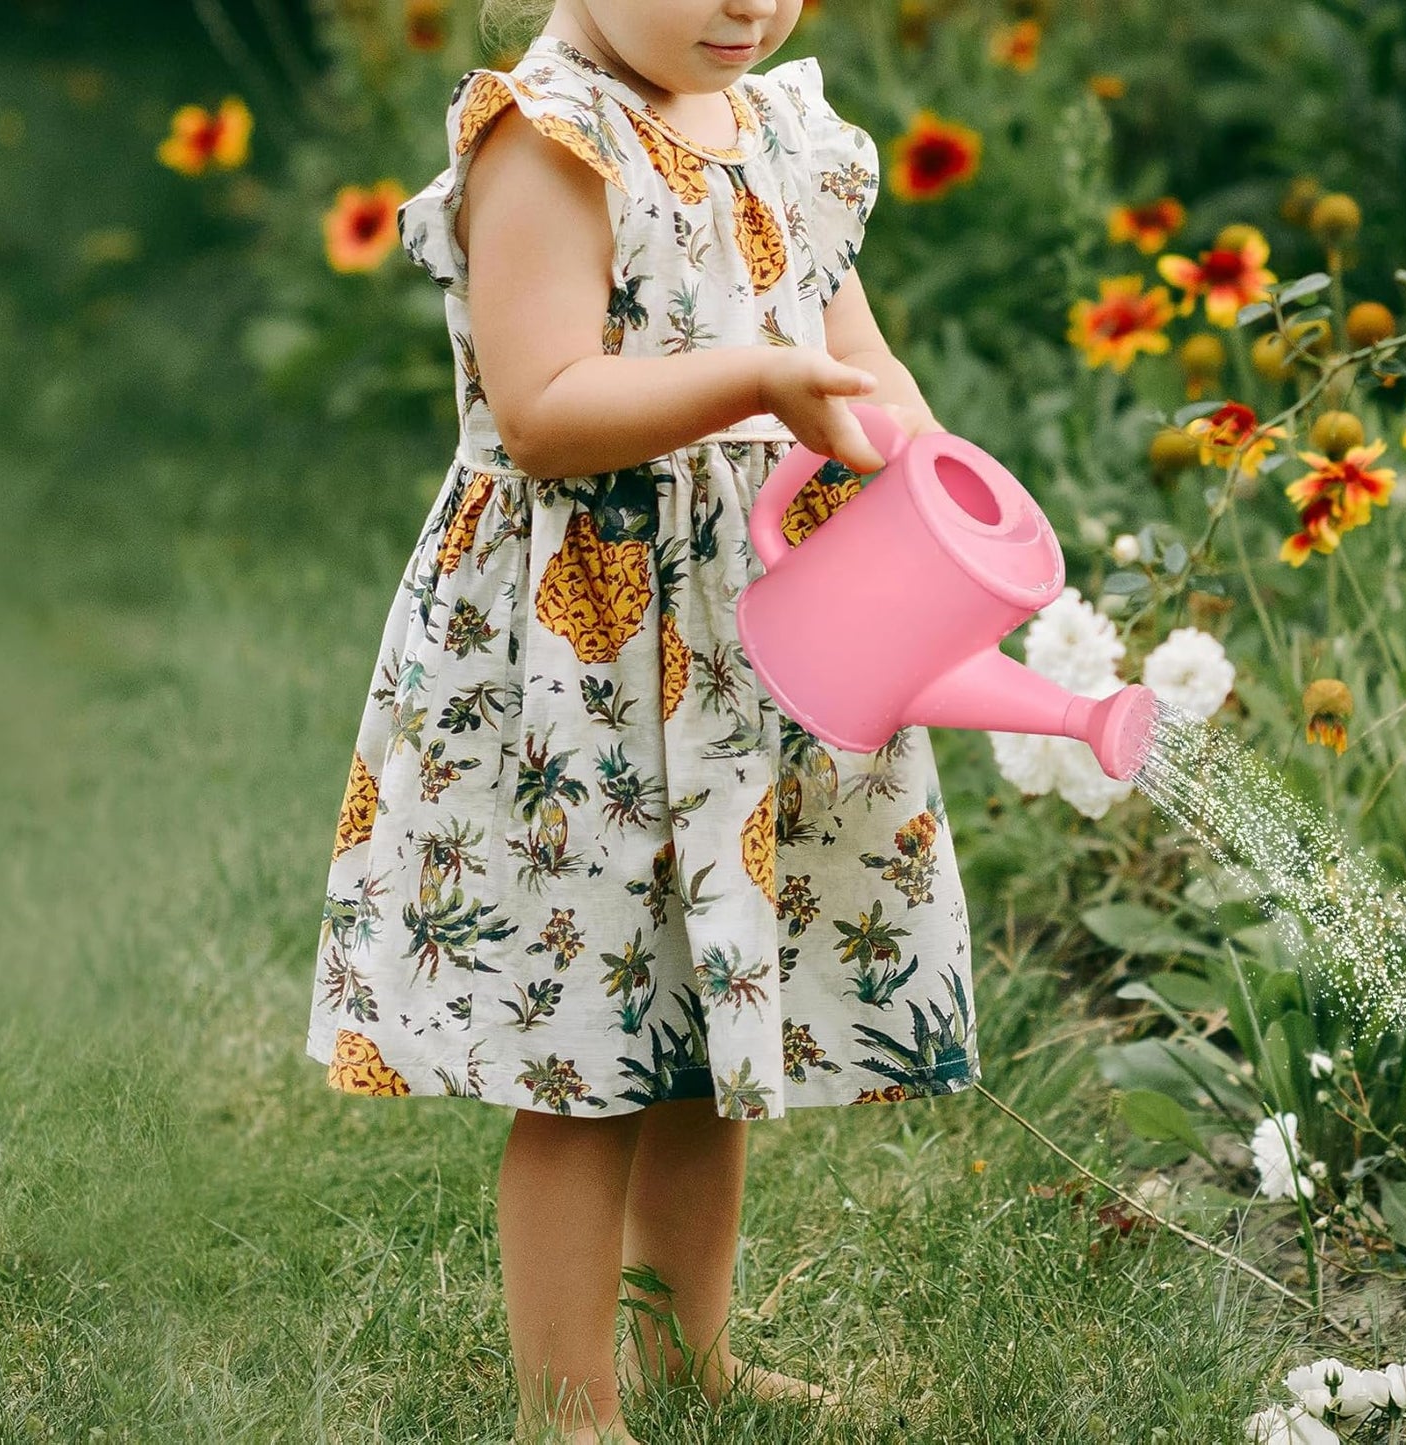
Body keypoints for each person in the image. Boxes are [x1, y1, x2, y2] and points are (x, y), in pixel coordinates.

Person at [305, 1, 983, 1440]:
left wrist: (929, 489)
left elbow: (863, 373)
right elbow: (544, 403)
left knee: (708, 1024)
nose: (748, 5)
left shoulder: (784, 128)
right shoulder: (547, 137)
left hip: (749, 650)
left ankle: (690, 1348)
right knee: (588, 1048)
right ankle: (570, 1409)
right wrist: (749, 380)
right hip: (581, 660)